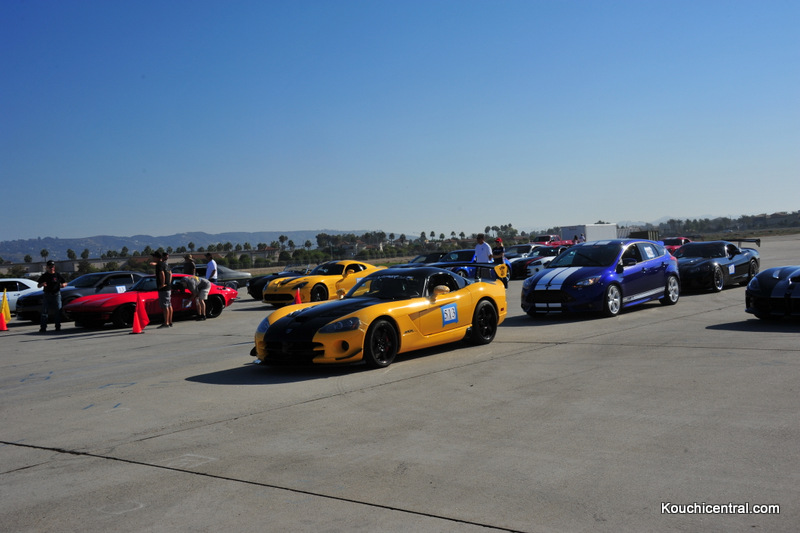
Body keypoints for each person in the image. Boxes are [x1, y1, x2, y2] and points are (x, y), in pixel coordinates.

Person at [37, 260, 67, 332]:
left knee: (58, 311)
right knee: (44, 311)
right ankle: (43, 327)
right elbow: (38, 285)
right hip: (47, 295)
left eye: (53, 267)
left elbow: (65, 282)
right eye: (50, 267)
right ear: (47, 267)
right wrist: (42, 284)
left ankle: (58, 326)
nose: (51, 268)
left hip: (56, 294)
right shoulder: (44, 276)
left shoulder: (57, 275)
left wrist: (63, 285)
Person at [153, 251, 173, 328]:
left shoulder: (159, 265)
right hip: (168, 287)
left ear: (158, 258)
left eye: (154, 257)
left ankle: (166, 323)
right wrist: (169, 283)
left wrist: (162, 283)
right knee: (169, 305)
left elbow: (162, 274)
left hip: (164, 288)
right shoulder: (166, 264)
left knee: (165, 306)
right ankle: (170, 321)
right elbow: (170, 273)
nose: (153, 258)